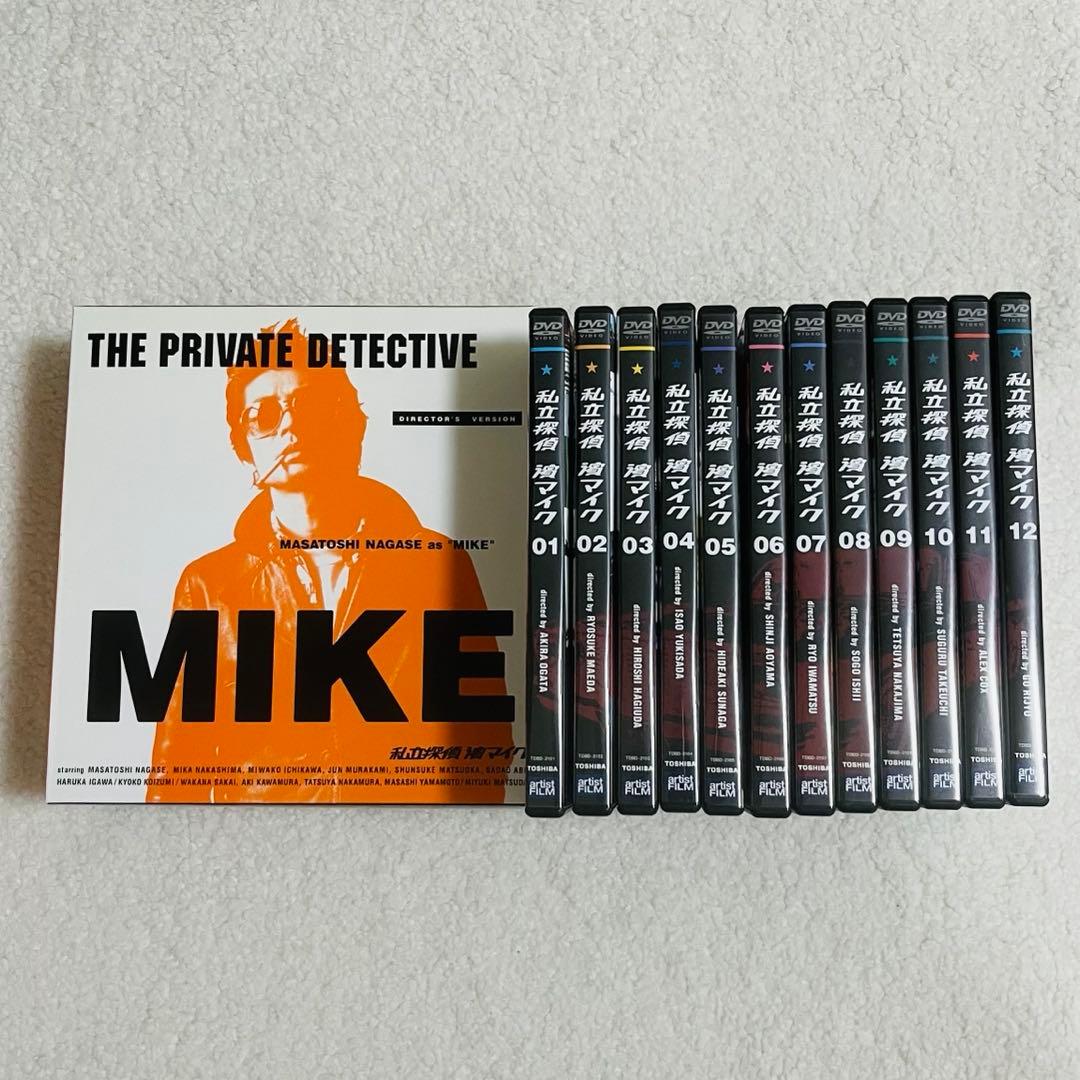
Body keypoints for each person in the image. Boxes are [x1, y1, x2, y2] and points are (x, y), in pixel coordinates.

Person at [148, 319, 513, 803]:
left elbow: (485, 745)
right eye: (263, 414)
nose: (291, 426)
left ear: (352, 425)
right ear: (243, 448)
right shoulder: (209, 584)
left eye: (311, 407)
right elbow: (176, 770)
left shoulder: (436, 564)